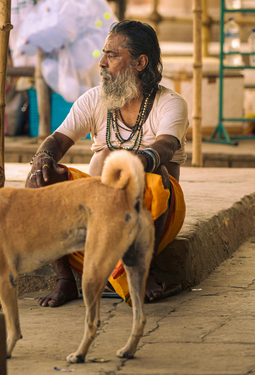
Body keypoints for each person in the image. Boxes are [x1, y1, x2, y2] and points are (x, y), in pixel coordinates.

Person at [26, 20, 188, 307]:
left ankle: (141, 272)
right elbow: (58, 140)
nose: (102, 63)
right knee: (42, 176)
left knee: (153, 175)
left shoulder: (170, 103)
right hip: (98, 209)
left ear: (140, 62)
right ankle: (64, 279)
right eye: (104, 54)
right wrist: (43, 158)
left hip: (155, 208)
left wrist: (134, 163)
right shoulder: (94, 99)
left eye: (112, 55)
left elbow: (166, 145)